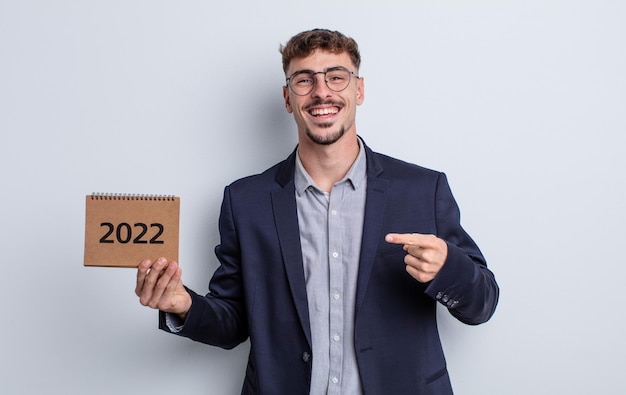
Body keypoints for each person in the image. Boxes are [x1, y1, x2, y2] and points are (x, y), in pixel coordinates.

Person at [135, 28, 499, 395]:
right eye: (304, 80)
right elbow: (234, 322)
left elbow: (482, 305)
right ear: (288, 98)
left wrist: (447, 268)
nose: (322, 91)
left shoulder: (422, 189)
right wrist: (183, 306)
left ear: (358, 90)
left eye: (336, 77)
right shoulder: (245, 201)